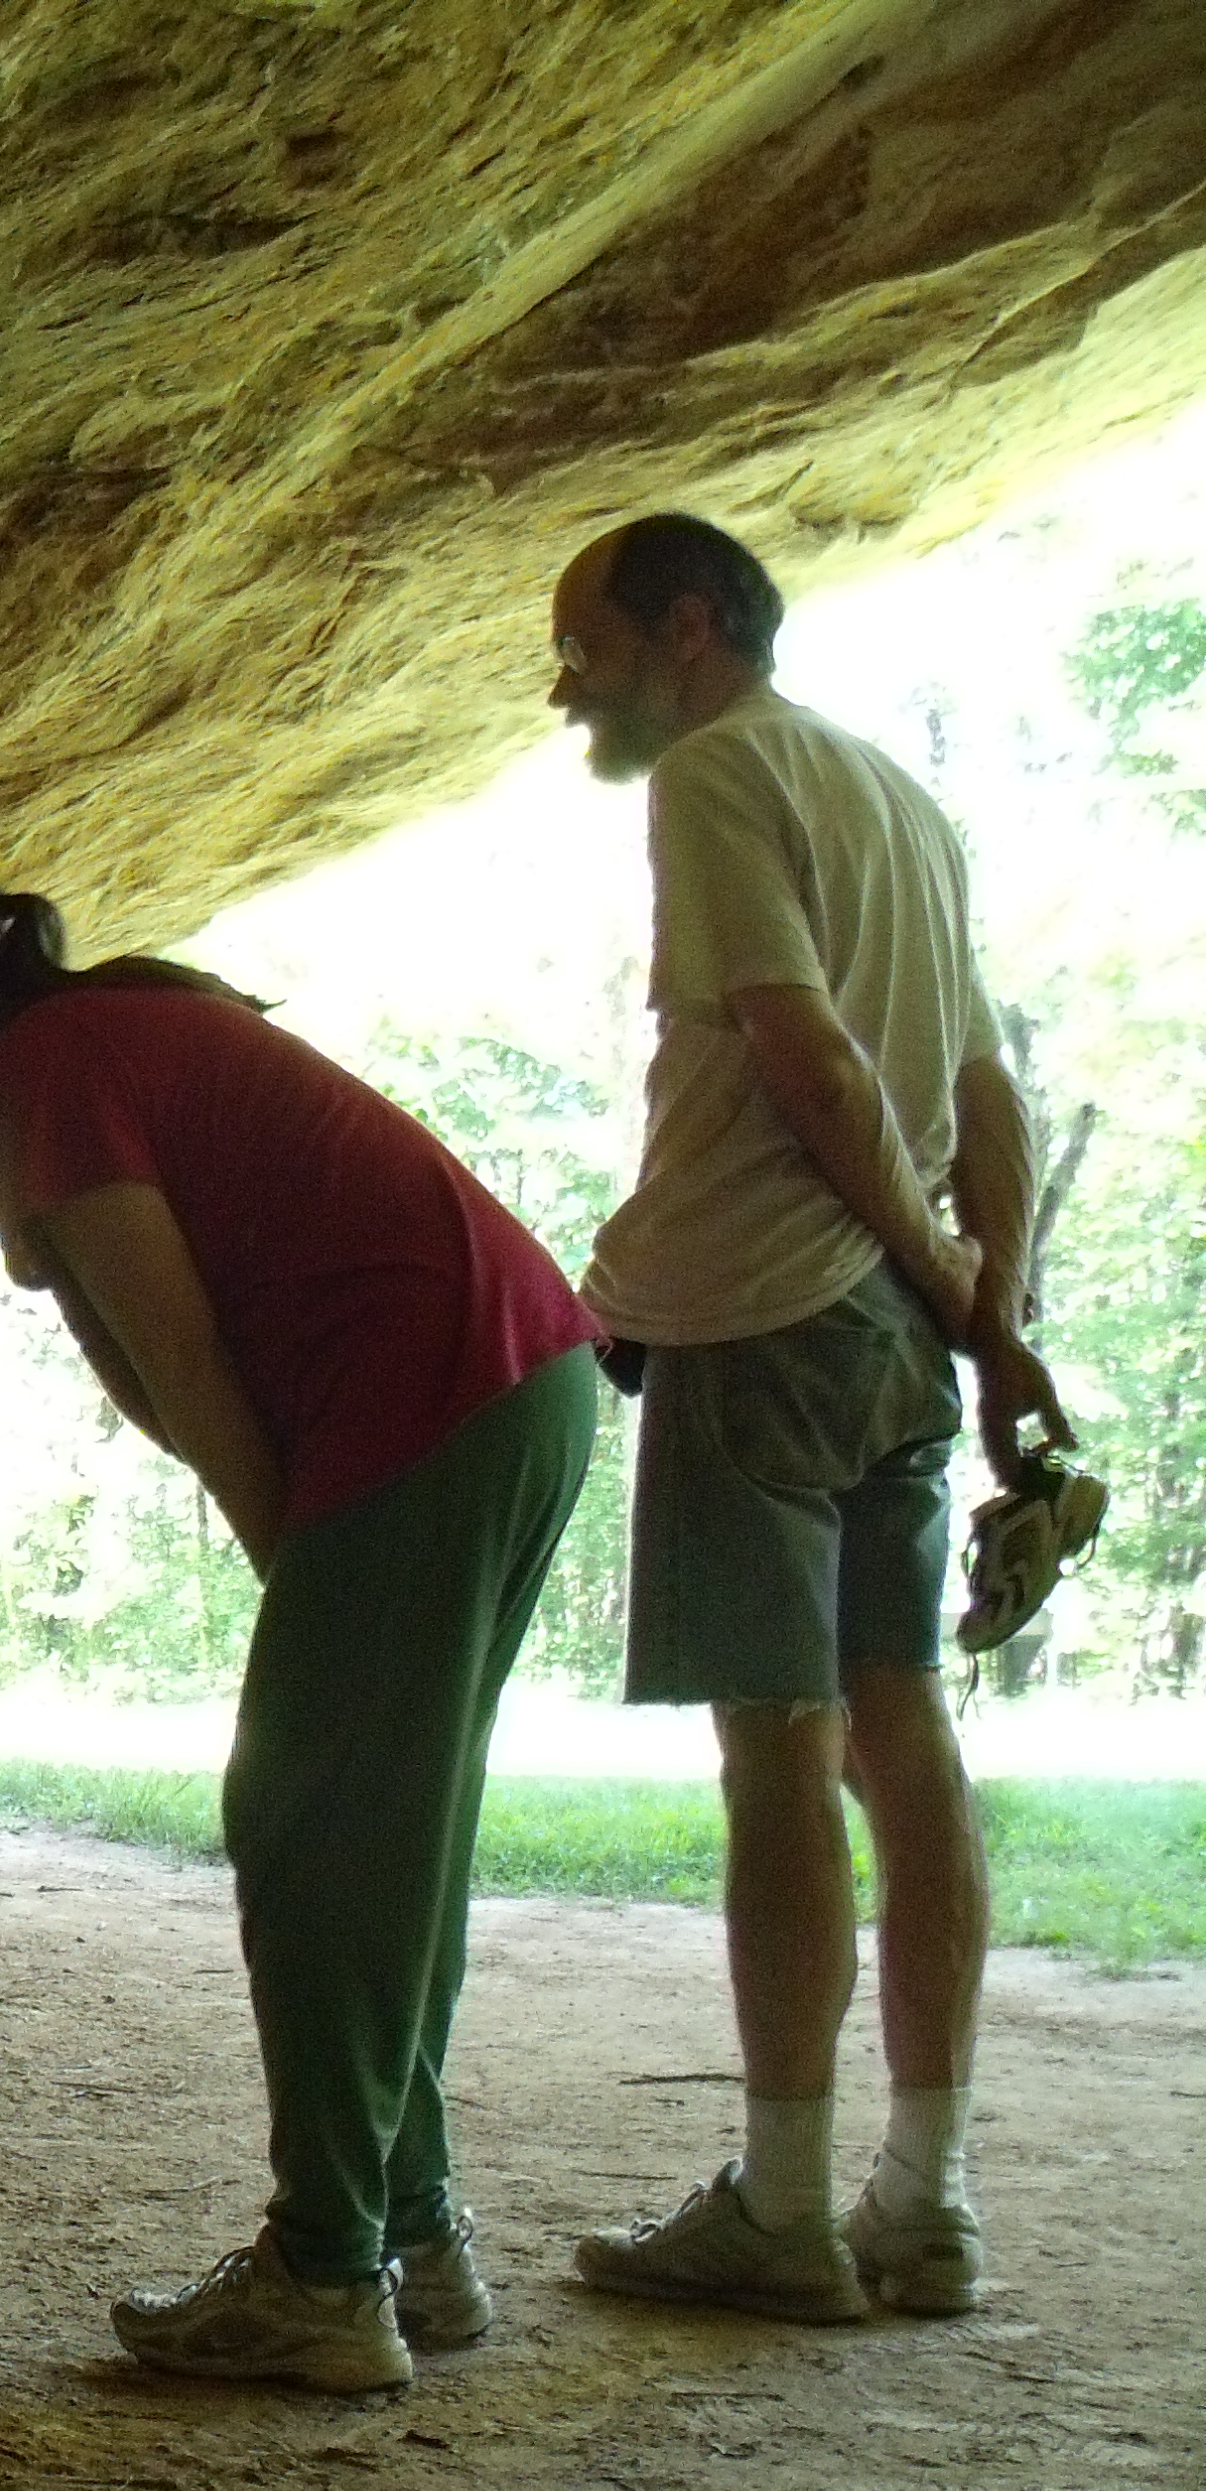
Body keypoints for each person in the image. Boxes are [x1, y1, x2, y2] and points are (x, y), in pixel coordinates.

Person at [0, 830, 601, 2393]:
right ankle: (408, 2237)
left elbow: (185, 1362)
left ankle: (325, 2275)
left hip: (431, 1386)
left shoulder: (52, 1062)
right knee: (381, 1831)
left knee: (312, 1822)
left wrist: (291, 1562)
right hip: (519, 1374)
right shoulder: (80, 1048)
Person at [547, 513, 1075, 2322]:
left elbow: (805, 1049)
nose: (566, 688)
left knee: (774, 1748)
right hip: (895, 1350)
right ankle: (927, 2203)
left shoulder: (713, 779)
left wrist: (941, 1280)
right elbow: (981, 1079)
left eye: (587, 645)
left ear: (689, 630)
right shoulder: (901, 804)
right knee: (898, 1728)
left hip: (763, 1315)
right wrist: (991, 1319)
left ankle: (782, 2206)